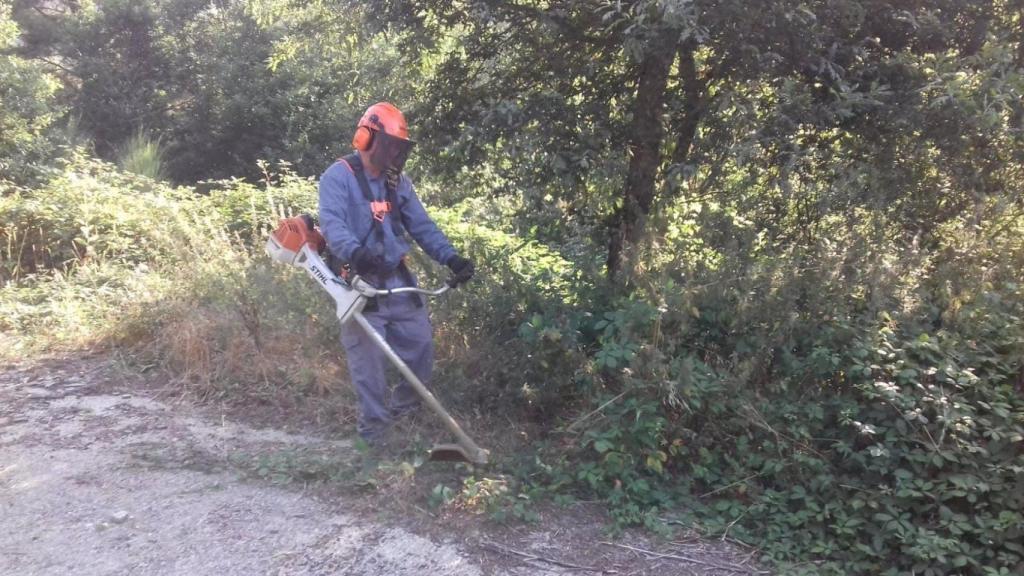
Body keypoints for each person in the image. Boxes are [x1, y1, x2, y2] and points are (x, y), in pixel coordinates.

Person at [317, 102, 474, 444]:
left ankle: (404, 417)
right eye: (388, 145)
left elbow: (421, 226)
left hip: (398, 282)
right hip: (359, 285)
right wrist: (356, 254)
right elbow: (332, 225)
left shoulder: (397, 182)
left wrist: (451, 259)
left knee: (420, 350)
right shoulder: (338, 177)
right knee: (369, 367)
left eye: (397, 147)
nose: (393, 154)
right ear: (366, 138)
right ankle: (375, 435)